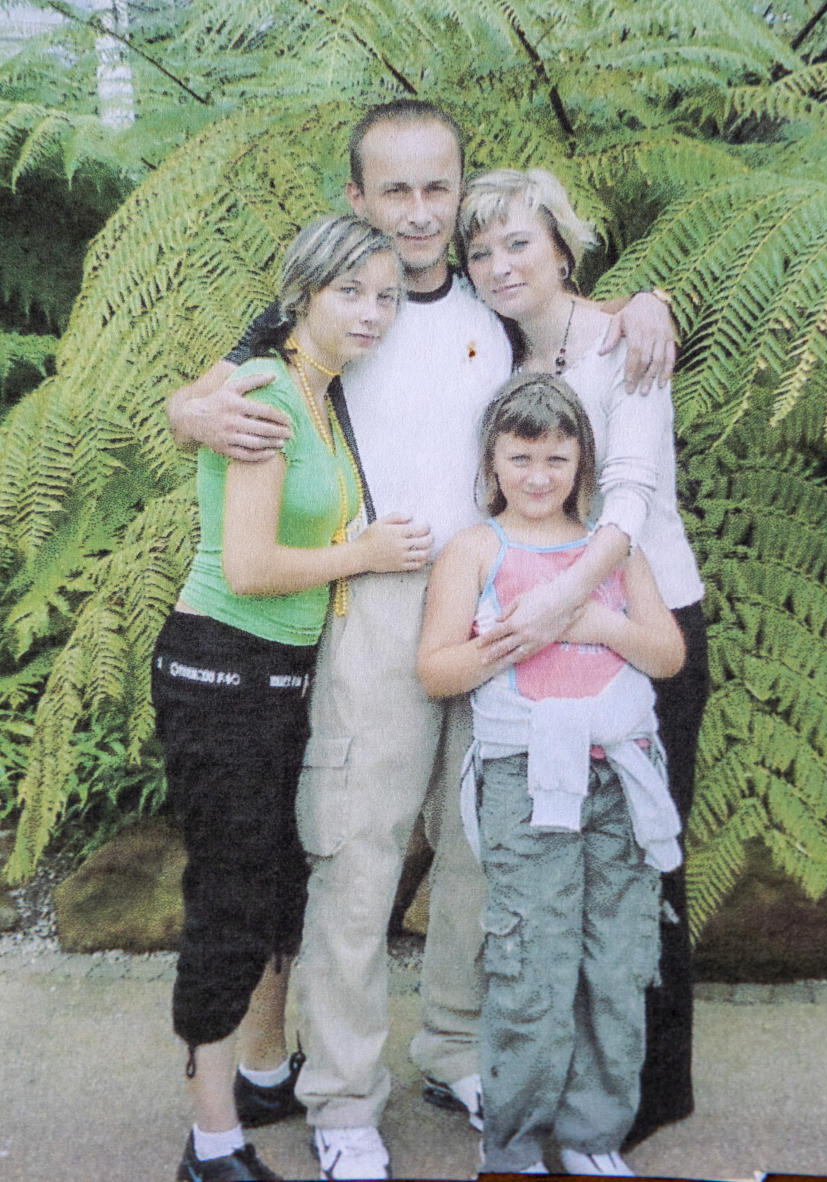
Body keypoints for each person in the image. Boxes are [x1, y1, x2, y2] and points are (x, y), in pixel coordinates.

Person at [165, 99, 678, 1181]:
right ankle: (343, 1096)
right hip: (377, 605)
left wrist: (646, 303)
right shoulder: (345, 306)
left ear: (460, 188)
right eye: (392, 189)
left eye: (436, 187)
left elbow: (575, 313)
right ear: (356, 199)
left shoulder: (492, 311)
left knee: (482, 851)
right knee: (355, 858)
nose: (418, 210)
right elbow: (222, 388)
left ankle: (453, 1046)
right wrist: (187, 408)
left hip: (500, 596)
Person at [151, 215, 428, 1182]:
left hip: (279, 680)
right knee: (227, 899)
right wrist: (368, 552)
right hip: (219, 671)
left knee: (276, 886)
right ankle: (211, 1139)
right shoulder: (266, 391)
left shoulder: (322, 393)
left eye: (387, 296)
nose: (372, 312)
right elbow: (251, 563)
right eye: (350, 292)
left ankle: (264, 1072)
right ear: (302, 294)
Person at [457, 167, 709, 1147]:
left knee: (645, 857)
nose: (499, 264)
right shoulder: (494, 360)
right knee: (558, 869)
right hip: (534, 638)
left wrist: (569, 596)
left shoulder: (624, 341)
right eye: (482, 252)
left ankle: (647, 1093)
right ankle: (560, 1087)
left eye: (519, 243)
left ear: (562, 247)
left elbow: (633, 493)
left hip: (639, 623)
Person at [417, 374, 686, 1176]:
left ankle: (593, 1133)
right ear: (492, 461)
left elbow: (667, 654)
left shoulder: (612, 546)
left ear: (584, 462)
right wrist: (514, 641)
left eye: (557, 459)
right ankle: (514, 1142)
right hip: (527, 778)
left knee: (616, 957)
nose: (539, 477)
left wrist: (593, 619)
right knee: (532, 957)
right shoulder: (475, 550)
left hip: (622, 778)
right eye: (521, 457)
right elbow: (436, 669)